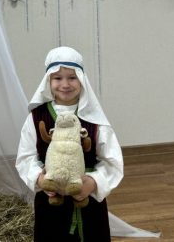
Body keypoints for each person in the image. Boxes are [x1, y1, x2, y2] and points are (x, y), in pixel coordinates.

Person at [16, 46, 124, 242]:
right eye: (58, 78)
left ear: (81, 80)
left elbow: (112, 161)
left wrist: (93, 183)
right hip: (50, 201)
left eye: (72, 78)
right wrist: (40, 179)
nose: (65, 84)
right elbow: (26, 157)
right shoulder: (36, 117)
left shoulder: (94, 119)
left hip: (88, 202)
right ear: (48, 81)